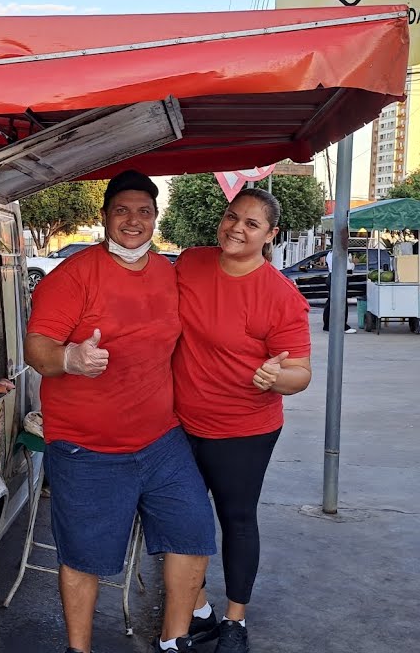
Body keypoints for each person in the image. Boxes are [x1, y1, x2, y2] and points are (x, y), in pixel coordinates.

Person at [25, 170, 216, 653]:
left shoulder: (168, 274)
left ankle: (175, 641)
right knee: (86, 555)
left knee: (191, 532)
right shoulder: (72, 276)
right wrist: (70, 359)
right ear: (106, 216)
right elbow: (37, 348)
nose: (134, 221)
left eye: (144, 212)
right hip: (86, 444)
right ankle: (79, 649)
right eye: (122, 211)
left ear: (156, 218)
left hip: (160, 439)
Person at [173, 188, 313, 653]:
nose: (237, 228)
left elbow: (301, 373)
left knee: (235, 519)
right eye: (232, 217)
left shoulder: (281, 296)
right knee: (182, 520)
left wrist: (277, 377)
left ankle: (234, 620)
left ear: (271, 235)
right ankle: (199, 608)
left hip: (244, 430)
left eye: (252, 224)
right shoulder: (190, 263)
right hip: (179, 421)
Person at [322, 250, 357, 334]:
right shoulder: (341, 253)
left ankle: (327, 325)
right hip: (339, 276)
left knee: (331, 301)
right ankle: (343, 326)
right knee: (341, 302)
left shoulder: (329, 253)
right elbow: (348, 267)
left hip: (331, 276)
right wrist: (353, 263)